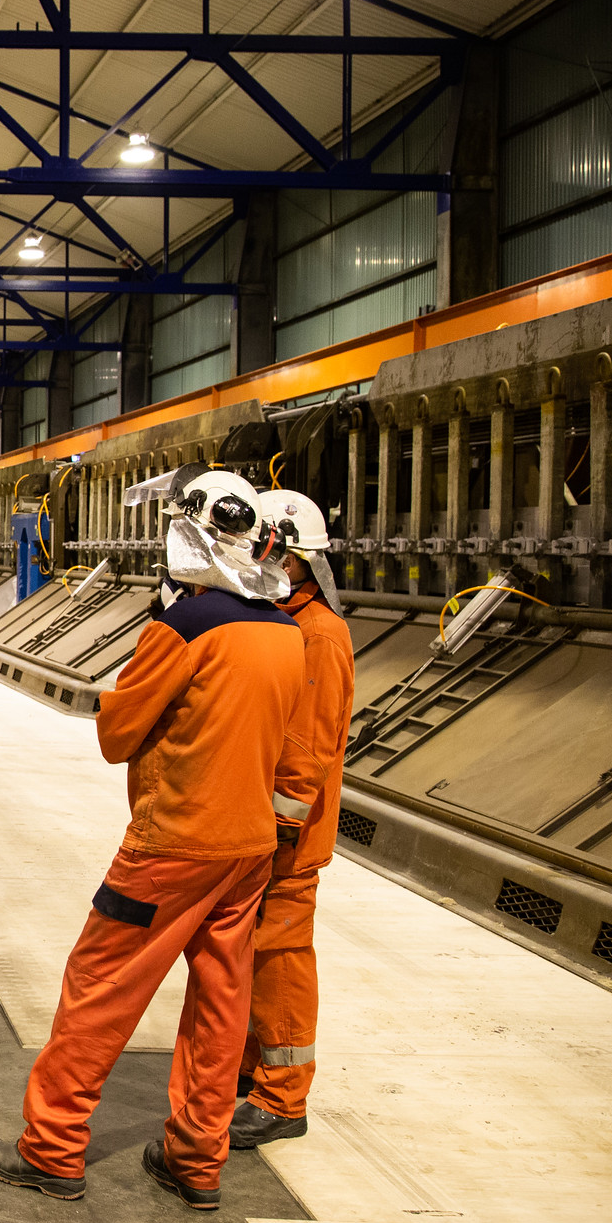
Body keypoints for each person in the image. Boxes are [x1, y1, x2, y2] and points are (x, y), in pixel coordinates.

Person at [0, 469, 307, 1211]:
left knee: (99, 988)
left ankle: (51, 1149)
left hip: (170, 848)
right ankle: (196, 1159)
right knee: (220, 1007)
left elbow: (115, 733)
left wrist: (151, 651)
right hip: (246, 850)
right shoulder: (288, 635)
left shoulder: (183, 626)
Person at [232, 489, 354, 1150]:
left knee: (279, 954)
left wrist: (279, 827)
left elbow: (307, 744)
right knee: (252, 949)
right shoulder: (278, 620)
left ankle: (282, 1097)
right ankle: (254, 1071)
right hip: (258, 823)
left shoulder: (318, 634)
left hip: (289, 834)